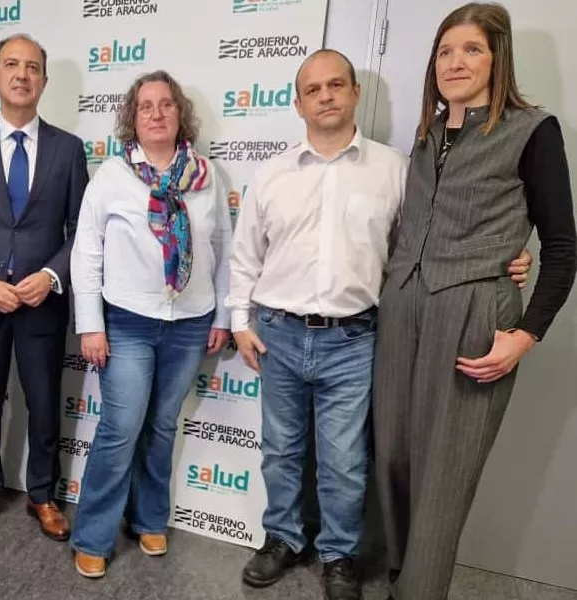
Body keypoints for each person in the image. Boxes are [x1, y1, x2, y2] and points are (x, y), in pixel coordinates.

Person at [225, 49, 532, 600]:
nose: (325, 96)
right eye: (313, 89)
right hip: (278, 335)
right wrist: (241, 321)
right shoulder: (271, 174)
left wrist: (506, 256)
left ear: (355, 93)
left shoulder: (395, 169)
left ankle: (338, 555)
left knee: (345, 461)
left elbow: (431, 241)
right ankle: (283, 538)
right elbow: (246, 255)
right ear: (298, 104)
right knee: (280, 450)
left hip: (354, 339)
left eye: (335, 85)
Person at [373, 4, 576, 600]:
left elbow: (562, 245)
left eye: (472, 50)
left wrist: (526, 334)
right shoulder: (427, 135)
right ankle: (397, 576)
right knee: (392, 459)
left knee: (445, 472)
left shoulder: (532, 130)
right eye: (445, 51)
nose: (455, 62)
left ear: (497, 58)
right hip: (402, 309)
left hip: (472, 316)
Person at [68, 70, 232, 578]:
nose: (157, 114)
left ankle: (149, 518)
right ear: (132, 119)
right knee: (121, 428)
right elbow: (86, 251)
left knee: (161, 425)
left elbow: (223, 249)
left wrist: (224, 314)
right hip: (127, 322)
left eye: (166, 104)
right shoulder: (112, 176)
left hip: (190, 322)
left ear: (180, 113)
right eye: (146, 106)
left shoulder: (206, 175)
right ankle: (93, 535)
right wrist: (90, 324)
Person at [0, 33, 88, 544]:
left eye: (32, 67)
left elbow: (81, 230)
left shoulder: (68, 150)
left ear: (43, 81)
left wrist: (51, 276)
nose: (21, 74)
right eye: (11, 64)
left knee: (45, 406)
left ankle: (43, 494)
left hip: (43, 306)